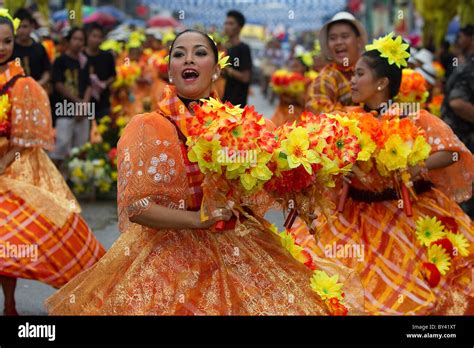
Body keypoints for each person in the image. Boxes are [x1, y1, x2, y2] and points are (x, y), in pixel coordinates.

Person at [45, 29, 362, 315]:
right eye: (179, 54)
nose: (188, 59)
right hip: (168, 255)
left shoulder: (242, 126)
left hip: (239, 245)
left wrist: (305, 182)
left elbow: (266, 181)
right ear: (170, 69)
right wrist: (198, 220)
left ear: (216, 68)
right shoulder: (149, 126)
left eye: (199, 52)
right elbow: (137, 208)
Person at [292, 33, 474, 315]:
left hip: (403, 216)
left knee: (409, 297)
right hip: (351, 216)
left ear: (382, 82)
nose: (352, 80)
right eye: (352, 74)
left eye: (359, 74)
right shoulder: (344, 119)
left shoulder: (411, 117)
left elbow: (452, 153)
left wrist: (418, 165)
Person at [0, 9, 105, 316]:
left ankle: (10, 303)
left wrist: (5, 161)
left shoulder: (21, 85)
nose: (2, 47)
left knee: (15, 238)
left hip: (15, 169)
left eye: (6, 41)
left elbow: (24, 137)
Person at [306, 11, 367, 114]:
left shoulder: (373, 71)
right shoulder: (326, 79)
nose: (338, 42)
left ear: (359, 41)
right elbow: (322, 118)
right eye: (333, 38)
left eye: (345, 36)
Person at [49, 27, 92, 169]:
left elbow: (89, 85)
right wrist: (78, 102)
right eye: (75, 39)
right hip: (64, 109)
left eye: (81, 40)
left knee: (81, 148)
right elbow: (58, 85)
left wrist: (84, 105)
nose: (78, 43)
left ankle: (77, 181)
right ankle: (57, 179)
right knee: (61, 145)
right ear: (68, 41)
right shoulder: (60, 60)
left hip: (83, 110)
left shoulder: (84, 61)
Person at [84, 23, 116, 122]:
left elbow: (113, 76)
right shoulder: (80, 56)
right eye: (94, 36)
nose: (96, 40)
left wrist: (103, 85)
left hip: (103, 102)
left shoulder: (107, 56)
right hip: (85, 102)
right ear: (88, 36)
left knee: (104, 128)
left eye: (100, 37)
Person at [11, 8, 50, 89]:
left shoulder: (39, 48)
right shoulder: (10, 48)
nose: (21, 30)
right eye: (18, 27)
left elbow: (47, 71)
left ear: (32, 26)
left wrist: (39, 84)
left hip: (37, 91)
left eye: (25, 26)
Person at [223, 10, 252, 106]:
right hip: (225, 99)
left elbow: (245, 77)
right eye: (226, 23)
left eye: (231, 23)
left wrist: (226, 68)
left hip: (237, 103)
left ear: (239, 27)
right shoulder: (228, 48)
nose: (227, 26)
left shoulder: (243, 48)